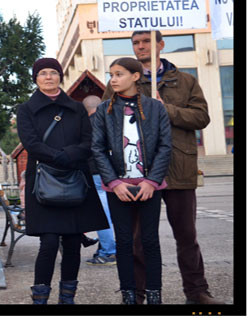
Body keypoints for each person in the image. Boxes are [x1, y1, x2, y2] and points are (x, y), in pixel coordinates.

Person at [103, 30, 221, 305]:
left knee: (186, 236)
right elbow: (107, 118)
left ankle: (197, 292)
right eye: (136, 43)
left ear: (160, 45)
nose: (141, 47)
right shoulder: (121, 78)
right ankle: (138, 295)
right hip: (138, 173)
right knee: (138, 239)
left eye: (146, 42)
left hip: (178, 167)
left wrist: (164, 108)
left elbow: (201, 117)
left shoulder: (185, 80)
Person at [16, 57, 109, 305]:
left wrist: (68, 156)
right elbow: (31, 144)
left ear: (60, 77)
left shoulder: (77, 108)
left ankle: (67, 300)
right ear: (36, 79)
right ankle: (40, 299)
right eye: (43, 73)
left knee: (71, 243)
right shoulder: (25, 109)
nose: (48, 77)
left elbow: (88, 142)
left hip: (75, 180)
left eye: (53, 73)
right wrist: (60, 157)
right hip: (43, 181)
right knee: (48, 243)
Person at [92, 57, 172, 305]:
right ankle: (128, 295)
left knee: (150, 240)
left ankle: (154, 295)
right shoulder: (104, 110)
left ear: (136, 76)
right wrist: (115, 183)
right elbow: (97, 149)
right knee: (124, 242)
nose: (113, 79)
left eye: (119, 74)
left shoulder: (155, 107)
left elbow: (165, 146)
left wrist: (152, 181)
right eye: (111, 74)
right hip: (119, 188)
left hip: (150, 185)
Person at [82, 95, 117, 265]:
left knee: (102, 215)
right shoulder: (109, 121)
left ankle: (109, 251)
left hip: (95, 172)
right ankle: (107, 248)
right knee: (114, 213)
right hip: (113, 173)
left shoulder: (86, 125)